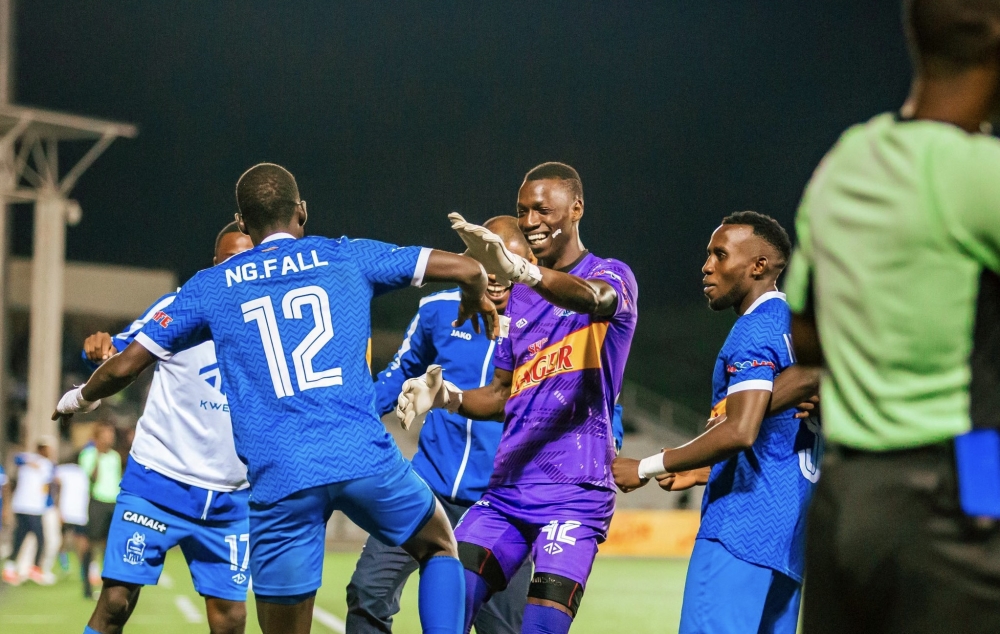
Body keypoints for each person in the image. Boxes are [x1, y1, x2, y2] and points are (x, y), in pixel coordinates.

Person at [53, 162, 499, 634]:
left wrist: (76, 401)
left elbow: (124, 365)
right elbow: (467, 267)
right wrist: (473, 292)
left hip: (281, 477)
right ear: (301, 212)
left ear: (243, 223)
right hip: (360, 456)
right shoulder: (344, 256)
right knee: (437, 545)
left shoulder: (212, 285)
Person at [782, 0, 1000, 632]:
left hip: (846, 500)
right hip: (954, 496)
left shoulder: (844, 161)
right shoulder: (976, 174)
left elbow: (807, 337)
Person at [399, 162, 636, 634]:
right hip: (508, 490)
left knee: (538, 629)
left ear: (577, 209)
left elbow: (593, 298)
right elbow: (503, 394)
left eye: (542, 210)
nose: (530, 221)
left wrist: (525, 272)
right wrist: (448, 398)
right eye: (522, 211)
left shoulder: (613, 275)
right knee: (448, 590)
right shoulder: (522, 301)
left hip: (575, 490)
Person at [348, 216, 612, 634]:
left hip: (500, 505)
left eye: (503, 265)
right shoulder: (437, 310)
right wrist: (352, 420)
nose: (493, 278)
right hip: (426, 490)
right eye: (483, 266)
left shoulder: (551, 321)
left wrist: (607, 446)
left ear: (522, 263)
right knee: (367, 593)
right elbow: (400, 374)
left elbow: (587, 391)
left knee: (501, 628)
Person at [612, 212, 822, 633]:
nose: (707, 266)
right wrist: (702, 469)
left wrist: (648, 465)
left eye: (720, 255)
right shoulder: (797, 332)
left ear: (758, 265)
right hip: (789, 541)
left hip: (740, 531)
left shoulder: (753, 330)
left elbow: (742, 429)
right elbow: (775, 438)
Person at [73, 221, 253, 634]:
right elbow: (120, 352)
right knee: (115, 603)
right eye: (229, 259)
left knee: (231, 621)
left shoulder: (273, 324)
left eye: (248, 258)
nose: (237, 268)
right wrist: (99, 349)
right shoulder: (180, 307)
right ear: (213, 265)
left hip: (229, 502)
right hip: (158, 483)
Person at [2, 438, 57, 585]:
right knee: (40, 538)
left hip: (31, 507)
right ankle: (34, 568)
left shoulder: (45, 464)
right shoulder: (33, 459)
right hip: (27, 507)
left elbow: (46, 486)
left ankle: (11, 568)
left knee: (21, 537)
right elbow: (17, 458)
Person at [78, 421, 122, 595]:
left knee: (109, 545)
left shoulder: (115, 457)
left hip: (113, 502)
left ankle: (107, 584)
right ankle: (87, 586)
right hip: (96, 501)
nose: (109, 438)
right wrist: (97, 454)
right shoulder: (88, 454)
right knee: (91, 543)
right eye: (106, 434)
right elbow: (91, 478)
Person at [54, 457, 91, 591]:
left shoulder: (61, 470)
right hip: (80, 512)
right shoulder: (85, 471)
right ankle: (84, 569)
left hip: (66, 511)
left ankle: (65, 565)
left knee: (63, 539)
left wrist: (56, 506)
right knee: (80, 540)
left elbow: (55, 484)